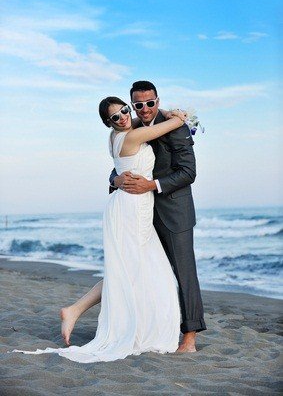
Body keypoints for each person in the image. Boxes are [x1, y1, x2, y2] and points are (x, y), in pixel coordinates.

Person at [10, 96, 186, 363]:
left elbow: (140, 122)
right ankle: (76, 310)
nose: (124, 116)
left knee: (129, 271)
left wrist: (116, 175)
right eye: (116, 116)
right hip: (132, 210)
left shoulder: (119, 135)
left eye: (125, 110)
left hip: (129, 206)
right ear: (108, 123)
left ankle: (75, 310)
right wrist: (178, 115)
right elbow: (168, 125)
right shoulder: (131, 138)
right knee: (135, 270)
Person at [60, 81, 207, 353]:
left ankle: (189, 339)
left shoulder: (171, 126)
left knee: (183, 274)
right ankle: (139, 326)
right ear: (131, 105)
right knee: (137, 272)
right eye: (138, 105)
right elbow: (119, 164)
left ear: (157, 100)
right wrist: (116, 178)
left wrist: (150, 185)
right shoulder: (133, 128)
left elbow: (189, 173)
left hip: (174, 211)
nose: (144, 109)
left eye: (149, 103)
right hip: (139, 212)